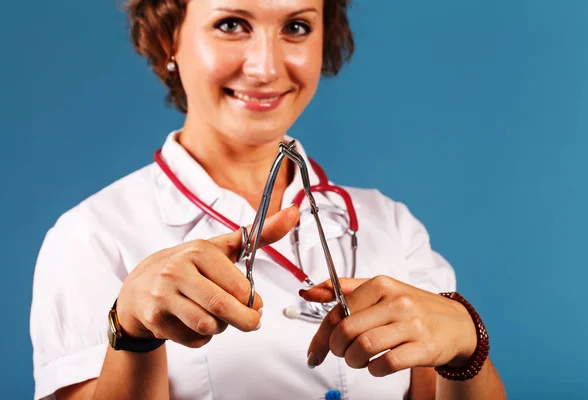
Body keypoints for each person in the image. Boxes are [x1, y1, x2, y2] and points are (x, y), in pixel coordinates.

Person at [30, 0, 507, 399]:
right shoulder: (91, 237)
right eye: (232, 25)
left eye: (296, 27)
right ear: (166, 39)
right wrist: (131, 333)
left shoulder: (392, 226)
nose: (266, 67)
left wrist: (468, 351)